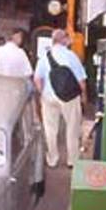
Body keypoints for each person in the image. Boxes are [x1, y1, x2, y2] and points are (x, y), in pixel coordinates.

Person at [34, 29, 87, 168]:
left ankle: (52, 159)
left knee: (50, 129)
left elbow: (37, 79)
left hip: (49, 98)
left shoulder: (45, 57)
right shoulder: (71, 56)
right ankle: (72, 161)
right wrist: (83, 96)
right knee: (72, 128)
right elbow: (81, 81)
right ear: (64, 40)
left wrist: (43, 94)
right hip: (69, 97)